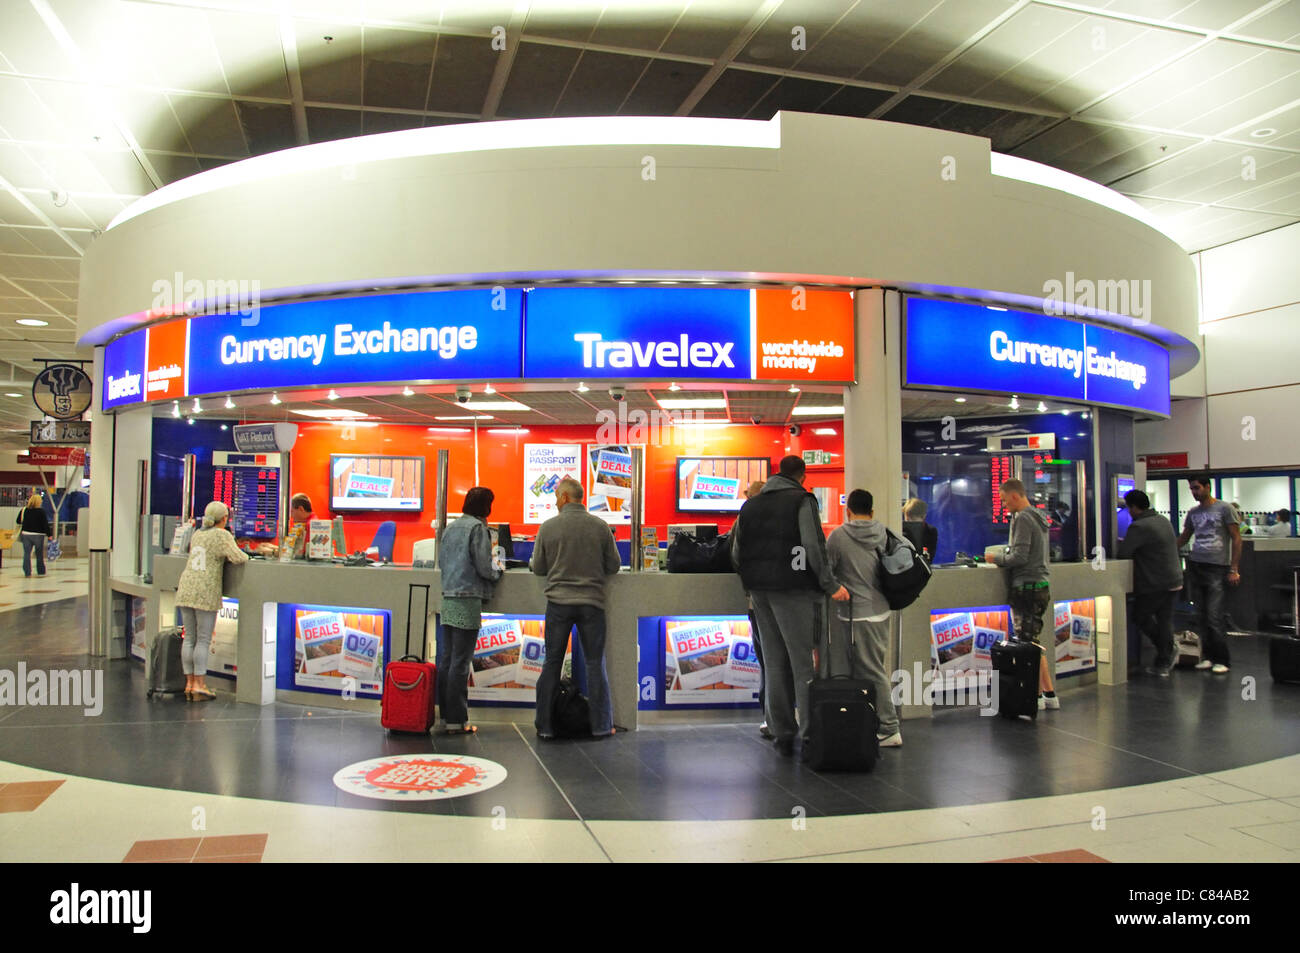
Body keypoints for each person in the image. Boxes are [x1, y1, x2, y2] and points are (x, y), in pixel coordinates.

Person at [732, 455, 849, 755]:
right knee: (801, 664)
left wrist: (752, 577)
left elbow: (736, 550)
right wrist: (830, 584)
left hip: (758, 591)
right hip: (794, 590)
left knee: (773, 662)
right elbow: (813, 546)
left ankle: (781, 730)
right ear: (802, 476)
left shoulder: (751, 505)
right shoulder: (802, 500)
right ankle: (810, 732)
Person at [530, 478, 621, 738]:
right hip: (592, 604)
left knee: (552, 663)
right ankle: (602, 726)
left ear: (566, 498)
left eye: (557, 496)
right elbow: (613, 566)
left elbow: (538, 568)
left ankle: (545, 727)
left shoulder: (548, 527)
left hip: (558, 604)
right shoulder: (600, 526)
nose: (555, 500)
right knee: (595, 664)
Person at [827, 489, 902, 747]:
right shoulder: (883, 532)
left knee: (871, 670)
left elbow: (827, 572)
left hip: (856, 613)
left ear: (848, 511)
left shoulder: (838, 536)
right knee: (874, 666)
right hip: (881, 610)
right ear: (872, 511)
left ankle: (890, 727)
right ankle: (872, 721)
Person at [984, 479, 1057, 709]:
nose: (1004, 506)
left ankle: (1033, 697)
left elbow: (1019, 557)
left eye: (1005, 500)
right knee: (1032, 642)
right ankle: (1049, 694)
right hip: (1039, 586)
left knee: (1026, 646)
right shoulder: (1038, 516)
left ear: (1015, 496)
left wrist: (994, 558)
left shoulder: (1023, 517)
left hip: (1026, 587)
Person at [436, 487, 503, 734]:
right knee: (461, 663)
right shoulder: (477, 529)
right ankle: (457, 720)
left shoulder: (450, 528)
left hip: (449, 596)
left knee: (447, 660)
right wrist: (498, 573)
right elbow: (485, 566)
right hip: (468, 598)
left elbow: (442, 562)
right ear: (485, 506)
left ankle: (445, 717)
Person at [175, 501, 249, 700]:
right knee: (203, 639)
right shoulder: (222, 535)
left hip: (186, 587)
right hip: (205, 590)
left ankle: (189, 684)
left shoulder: (198, 534)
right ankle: (200, 684)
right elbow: (239, 558)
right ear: (224, 519)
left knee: (189, 638)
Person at [1176, 475, 1242, 674]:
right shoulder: (1193, 513)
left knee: (1214, 616)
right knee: (1201, 615)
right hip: (1197, 565)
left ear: (1207, 487)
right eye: (1191, 489)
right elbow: (1184, 537)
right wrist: (1168, 551)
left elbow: (1236, 539)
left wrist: (1234, 568)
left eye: (1196, 488)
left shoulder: (1224, 509)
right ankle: (1208, 657)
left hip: (1217, 567)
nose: (1194, 492)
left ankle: (1223, 660)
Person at [739, 478, 789, 741]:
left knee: (768, 660)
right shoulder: (783, 521)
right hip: (785, 600)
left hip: (757, 600)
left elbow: (736, 556)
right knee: (780, 660)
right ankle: (784, 718)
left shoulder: (746, 519)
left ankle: (772, 719)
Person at [1116, 489, 1184, 677]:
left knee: (1141, 616)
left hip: (1156, 583)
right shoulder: (1162, 520)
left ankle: (1166, 651)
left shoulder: (1139, 527)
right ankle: (1164, 661)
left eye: (1129, 508)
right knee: (1165, 621)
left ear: (1134, 507)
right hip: (1174, 579)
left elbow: (1124, 554)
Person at [15, 492, 52, 577]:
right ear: (39, 502)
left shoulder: (24, 510)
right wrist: (49, 535)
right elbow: (45, 524)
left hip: (26, 534)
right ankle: (41, 571)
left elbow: (18, 521)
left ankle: (27, 572)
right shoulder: (41, 511)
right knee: (39, 554)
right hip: (38, 535)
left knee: (27, 554)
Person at [902, 497, 938, 563]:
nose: (909, 522)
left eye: (913, 519)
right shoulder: (900, 530)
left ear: (923, 516)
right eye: (907, 519)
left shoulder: (930, 531)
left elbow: (929, 556)